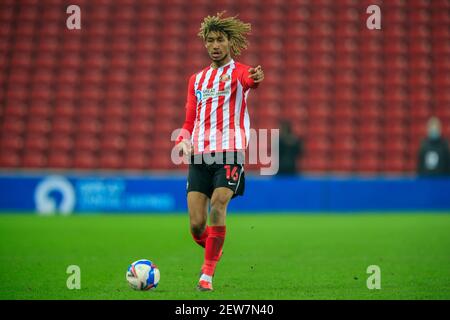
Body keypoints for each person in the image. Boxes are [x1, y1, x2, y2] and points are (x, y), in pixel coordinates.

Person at [174, 12, 264, 291]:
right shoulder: (196, 80)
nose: (215, 45)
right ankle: (214, 249)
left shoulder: (239, 72)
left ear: (230, 43)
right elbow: (190, 118)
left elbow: (251, 80)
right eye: (210, 40)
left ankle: (207, 274)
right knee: (196, 226)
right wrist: (183, 139)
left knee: (219, 202)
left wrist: (256, 77)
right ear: (205, 43)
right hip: (199, 155)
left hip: (230, 152)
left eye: (220, 40)